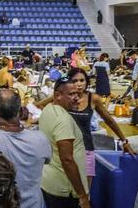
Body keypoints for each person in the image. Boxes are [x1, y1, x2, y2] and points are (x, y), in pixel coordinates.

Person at [36, 68, 136, 186]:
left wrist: (124, 141)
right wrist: (55, 116)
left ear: (87, 82)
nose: (79, 84)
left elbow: (109, 121)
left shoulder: (93, 99)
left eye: (82, 80)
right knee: (66, 188)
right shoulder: (64, 97)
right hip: (65, 149)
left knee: (85, 189)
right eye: (75, 81)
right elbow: (40, 104)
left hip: (86, 149)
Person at [39, 77, 89, 208]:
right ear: (57, 95)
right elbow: (67, 159)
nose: (76, 98)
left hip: (49, 182)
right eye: (71, 94)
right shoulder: (63, 120)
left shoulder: (48, 109)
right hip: (65, 189)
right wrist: (82, 196)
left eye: (77, 94)